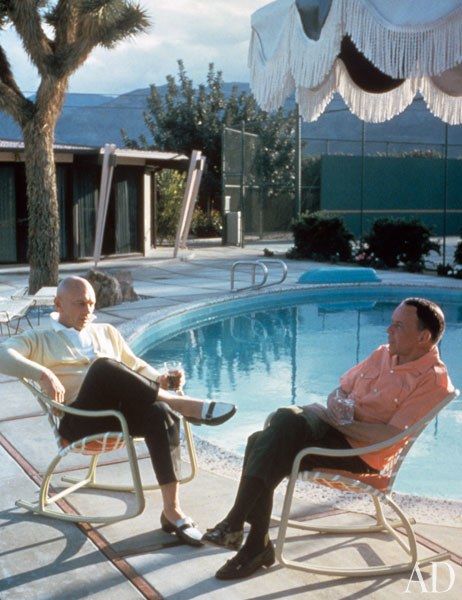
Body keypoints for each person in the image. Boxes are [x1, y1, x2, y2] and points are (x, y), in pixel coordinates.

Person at [203, 297, 454, 579]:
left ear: (423, 337)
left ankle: (245, 533)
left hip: (362, 455)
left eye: (397, 326)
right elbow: (341, 390)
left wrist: (338, 421)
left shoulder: (432, 380)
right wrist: (337, 406)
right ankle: (249, 539)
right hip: (333, 430)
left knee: (269, 435)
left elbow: (390, 435)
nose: (388, 330)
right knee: (277, 426)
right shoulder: (383, 354)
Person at [0, 276, 236, 546]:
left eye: (91, 303)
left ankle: (172, 510)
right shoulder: (40, 338)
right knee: (103, 367)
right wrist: (42, 373)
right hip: (80, 422)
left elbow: (135, 365)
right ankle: (183, 404)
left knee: (160, 411)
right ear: (58, 304)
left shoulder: (107, 332)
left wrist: (162, 379)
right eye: (79, 304)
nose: (88, 311)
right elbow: (1, 353)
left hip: (118, 419)